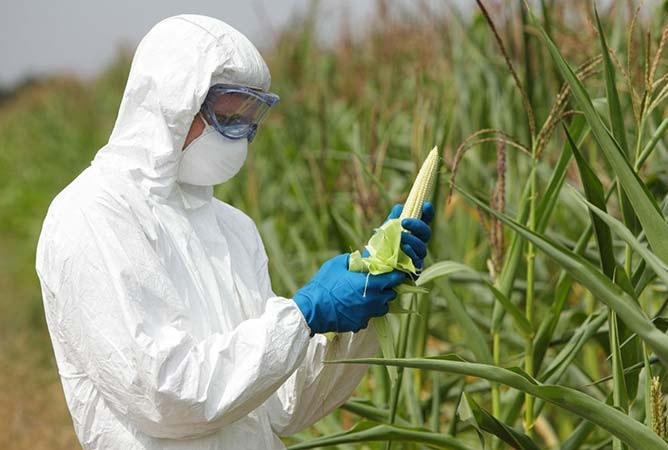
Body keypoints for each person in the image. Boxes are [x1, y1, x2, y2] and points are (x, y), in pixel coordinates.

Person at [35, 15, 433, 450]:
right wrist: (304, 314)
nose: (240, 131)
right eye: (228, 112)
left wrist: (360, 310)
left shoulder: (232, 227)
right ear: (171, 101)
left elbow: (281, 404)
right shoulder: (92, 214)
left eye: (251, 114)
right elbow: (163, 396)